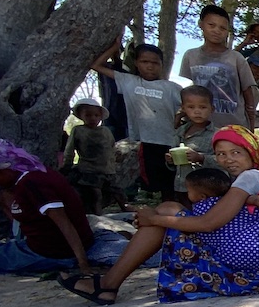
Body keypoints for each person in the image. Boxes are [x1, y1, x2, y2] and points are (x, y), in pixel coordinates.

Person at [58, 126, 259, 304]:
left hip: (252, 254)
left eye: (236, 153)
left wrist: (154, 220)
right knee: (168, 209)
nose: (228, 160)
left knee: (167, 211)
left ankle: (108, 284)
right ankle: (108, 284)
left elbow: (209, 223)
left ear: (251, 152)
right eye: (221, 154)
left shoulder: (249, 178)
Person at [0, 140, 128, 275]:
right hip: (53, 248)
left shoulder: (32, 183)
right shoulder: (34, 175)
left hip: (50, 253)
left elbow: (64, 223)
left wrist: (82, 264)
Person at [92, 42, 181, 201]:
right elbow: (96, 65)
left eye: (155, 63)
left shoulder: (172, 88)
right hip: (146, 141)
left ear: (161, 64)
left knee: (174, 183)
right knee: (157, 183)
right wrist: (114, 47)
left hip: (171, 142)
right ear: (136, 63)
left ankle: (176, 214)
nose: (150, 66)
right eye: (145, 62)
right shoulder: (128, 81)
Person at [179, 4, 257, 128]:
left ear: (227, 31)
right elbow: (187, 90)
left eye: (222, 28)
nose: (217, 31)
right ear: (201, 24)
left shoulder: (236, 58)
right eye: (211, 25)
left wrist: (251, 126)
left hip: (233, 125)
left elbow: (248, 92)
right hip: (201, 126)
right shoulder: (190, 56)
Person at [61, 101, 126, 214]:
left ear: (100, 117)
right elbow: (69, 150)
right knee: (95, 194)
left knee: (118, 192)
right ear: (81, 116)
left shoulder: (106, 131)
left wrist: (115, 157)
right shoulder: (78, 130)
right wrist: (67, 165)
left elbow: (111, 147)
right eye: (88, 115)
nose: (92, 118)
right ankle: (97, 213)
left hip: (107, 169)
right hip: (88, 169)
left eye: (96, 115)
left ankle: (125, 207)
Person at [184, 166, 259, 220]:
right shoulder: (230, 198)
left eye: (188, 191)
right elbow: (255, 199)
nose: (186, 193)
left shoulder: (230, 200)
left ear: (202, 196)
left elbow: (205, 224)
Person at [169, 85, 219, 203]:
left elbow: (224, 161)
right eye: (191, 107)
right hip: (182, 186)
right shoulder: (180, 132)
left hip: (206, 189)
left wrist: (201, 158)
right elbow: (174, 161)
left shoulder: (217, 134)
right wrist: (170, 161)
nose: (197, 111)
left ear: (212, 109)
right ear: (183, 109)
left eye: (202, 107)